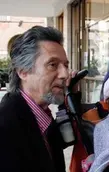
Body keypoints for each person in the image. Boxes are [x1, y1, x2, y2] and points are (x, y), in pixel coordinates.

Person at [0, 26, 69, 172]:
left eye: (66, 65)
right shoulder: (5, 126)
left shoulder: (43, 112)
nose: (65, 74)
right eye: (53, 65)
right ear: (23, 72)